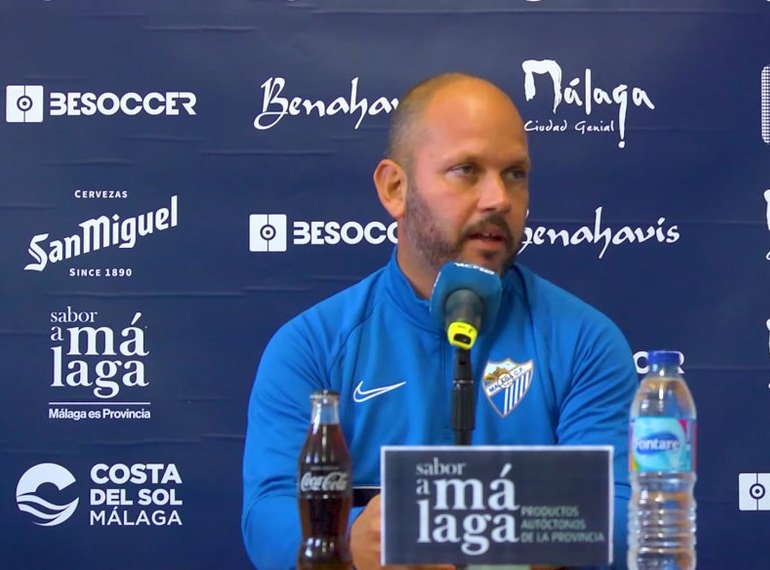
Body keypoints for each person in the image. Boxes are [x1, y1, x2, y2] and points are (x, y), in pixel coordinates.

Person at [241, 72, 637, 569]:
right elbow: (268, 517)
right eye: (467, 170)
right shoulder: (311, 347)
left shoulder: (585, 342)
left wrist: (444, 523)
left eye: (515, 173)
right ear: (395, 188)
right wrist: (348, 542)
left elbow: (626, 517)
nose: (499, 198)